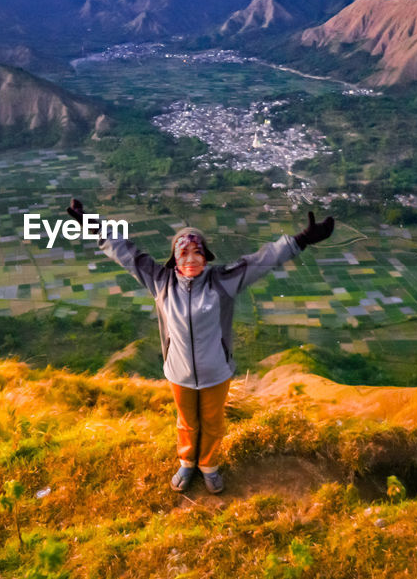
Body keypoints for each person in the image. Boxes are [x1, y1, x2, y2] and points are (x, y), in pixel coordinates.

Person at [67, 199, 334, 494]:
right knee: (186, 421)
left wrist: (301, 240)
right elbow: (126, 253)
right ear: (174, 258)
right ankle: (187, 462)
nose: (191, 259)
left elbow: (262, 260)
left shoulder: (223, 281)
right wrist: (92, 224)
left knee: (213, 421)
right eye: (184, 253)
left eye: (197, 252)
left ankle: (209, 465)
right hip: (179, 372)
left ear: (206, 255)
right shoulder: (161, 282)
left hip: (216, 371)